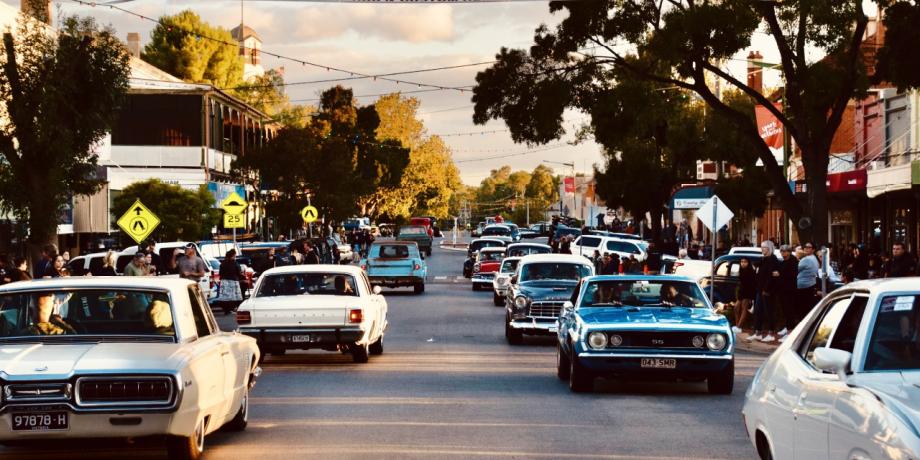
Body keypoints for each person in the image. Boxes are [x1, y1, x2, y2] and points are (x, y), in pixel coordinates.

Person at [748, 241, 780, 343]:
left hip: (767, 291)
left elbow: (771, 277)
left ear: (769, 248)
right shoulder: (764, 259)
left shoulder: (773, 259)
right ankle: (758, 333)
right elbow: (758, 267)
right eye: (761, 247)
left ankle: (771, 333)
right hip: (760, 289)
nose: (762, 249)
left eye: (764, 247)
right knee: (758, 311)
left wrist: (766, 289)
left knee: (769, 311)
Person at [795, 242, 820, 328]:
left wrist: (797, 258)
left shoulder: (807, 259)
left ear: (813, 249)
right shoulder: (814, 258)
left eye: (809, 247)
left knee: (802, 309)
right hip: (810, 285)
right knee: (806, 308)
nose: (806, 248)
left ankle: (801, 328)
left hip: (803, 287)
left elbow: (795, 269)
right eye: (805, 247)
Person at [778, 245, 799, 341]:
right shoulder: (784, 261)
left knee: (789, 311)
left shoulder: (793, 262)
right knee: (785, 310)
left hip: (790, 290)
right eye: (781, 251)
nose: (782, 253)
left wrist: (780, 274)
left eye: (784, 251)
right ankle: (787, 328)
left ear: (789, 252)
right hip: (783, 290)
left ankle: (790, 332)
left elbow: (791, 275)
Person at [732, 257, 756, 334]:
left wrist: (751, 297)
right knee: (736, 307)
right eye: (742, 261)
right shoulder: (741, 270)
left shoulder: (751, 271)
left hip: (748, 292)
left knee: (744, 308)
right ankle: (737, 325)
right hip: (742, 292)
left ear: (748, 263)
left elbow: (751, 284)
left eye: (745, 262)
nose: (743, 263)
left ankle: (739, 326)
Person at [217, 249, 243, 315]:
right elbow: (239, 273)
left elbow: (220, 273)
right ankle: (232, 308)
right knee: (233, 297)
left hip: (224, 281)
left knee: (225, 297)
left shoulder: (223, 263)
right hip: (233, 281)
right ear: (233, 255)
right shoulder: (235, 263)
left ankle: (226, 310)